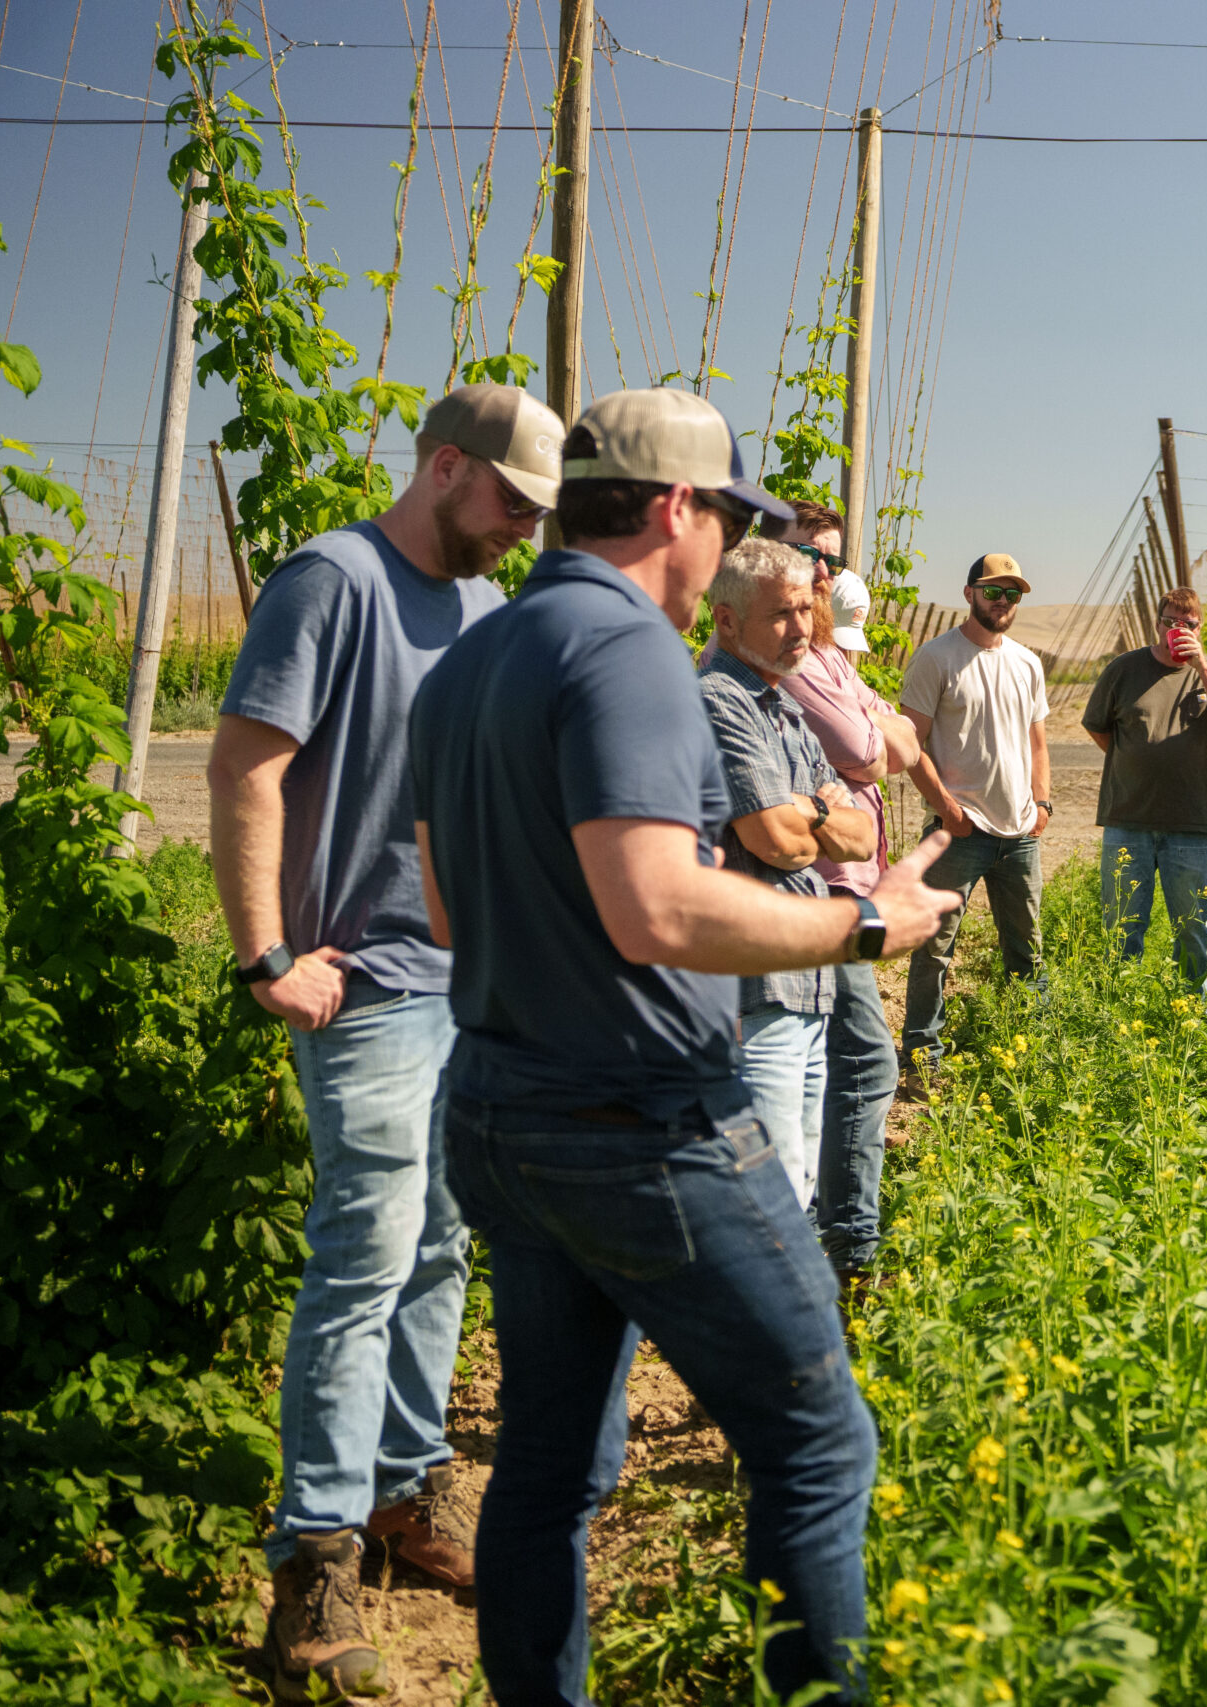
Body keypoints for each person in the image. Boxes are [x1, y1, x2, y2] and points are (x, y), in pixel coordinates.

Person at [407, 388, 962, 1707]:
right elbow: (655, 906)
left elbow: (445, 908)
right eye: (726, 516)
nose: (727, 546)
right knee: (817, 1437)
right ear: (676, 508)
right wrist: (863, 922)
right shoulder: (630, 651)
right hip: (641, 1120)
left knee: (548, 1461)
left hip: (497, 1103)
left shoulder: (475, 656)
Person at [208, 381, 561, 1701]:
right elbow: (245, 764)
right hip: (358, 986)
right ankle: (313, 1560)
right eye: (510, 503)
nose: (521, 530)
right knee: (364, 1254)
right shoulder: (333, 580)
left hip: (462, 979)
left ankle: (411, 1490)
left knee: (443, 1242)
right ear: (445, 468)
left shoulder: (481, 602)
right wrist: (265, 957)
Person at [698, 538, 882, 1214]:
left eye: (806, 608)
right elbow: (776, 841)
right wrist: (813, 809)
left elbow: (858, 838)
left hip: (806, 983)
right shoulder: (723, 701)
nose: (802, 627)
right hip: (757, 990)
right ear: (725, 620)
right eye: (780, 613)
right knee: (766, 1194)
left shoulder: (786, 710)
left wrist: (802, 809)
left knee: (796, 1183)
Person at [772, 507, 922, 1283]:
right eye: (809, 554)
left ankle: (826, 1243)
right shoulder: (792, 659)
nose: (824, 571)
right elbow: (869, 746)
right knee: (861, 1063)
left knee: (824, 1070)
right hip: (822, 891)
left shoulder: (833, 654)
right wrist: (871, 735)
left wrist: (872, 732)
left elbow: (898, 743)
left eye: (831, 559)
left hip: (843, 881)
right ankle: (846, 1252)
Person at [897, 554, 1053, 1089]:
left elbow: (1037, 740)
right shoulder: (935, 658)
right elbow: (909, 744)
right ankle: (922, 1058)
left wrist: (1044, 804)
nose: (1003, 602)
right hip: (958, 831)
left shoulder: (1027, 663)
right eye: (993, 592)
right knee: (934, 948)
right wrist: (946, 808)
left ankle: (1026, 1051)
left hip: (1020, 833)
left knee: (1026, 948)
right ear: (969, 593)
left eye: (1012, 594)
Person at [1082, 584, 1207, 988]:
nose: (1178, 629)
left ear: (1200, 627)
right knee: (1122, 930)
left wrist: (1202, 668)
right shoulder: (1124, 669)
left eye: (1188, 624)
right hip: (1127, 821)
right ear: (1157, 624)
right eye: (1170, 622)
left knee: (1193, 932)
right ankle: (1122, 1017)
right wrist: (1138, 763)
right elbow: (1099, 729)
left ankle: (1192, 1016)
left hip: (1190, 826)